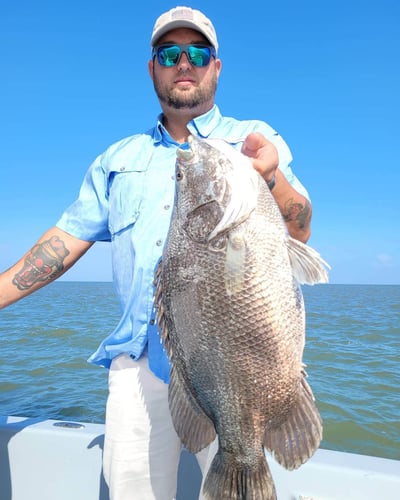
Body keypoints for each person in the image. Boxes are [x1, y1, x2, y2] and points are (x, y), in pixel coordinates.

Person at [0, 6, 313, 500]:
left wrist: (270, 176)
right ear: (153, 68)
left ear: (216, 66)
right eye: (170, 53)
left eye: (198, 52)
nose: (183, 62)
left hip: (241, 367)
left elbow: (301, 230)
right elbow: (57, 248)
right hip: (139, 365)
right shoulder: (117, 160)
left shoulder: (252, 142)